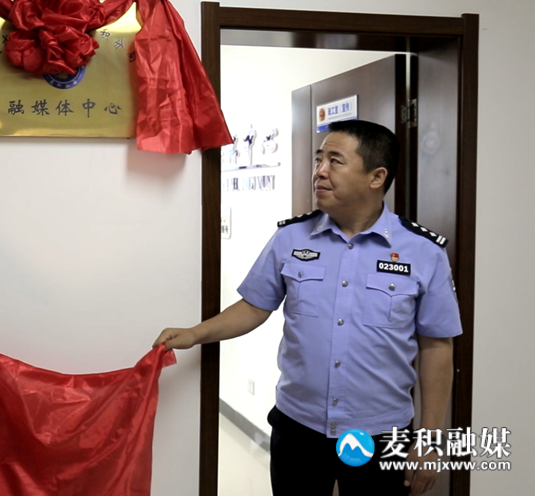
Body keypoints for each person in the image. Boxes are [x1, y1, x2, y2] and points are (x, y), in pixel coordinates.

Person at [155, 120, 462, 496]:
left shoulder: (423, 252)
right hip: (299, 429)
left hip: (380, 435)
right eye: (319, 160)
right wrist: (194, 334)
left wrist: (430, 440)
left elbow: (436, 346)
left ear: (376, 177)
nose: (320, 171)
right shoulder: (291, 238)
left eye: (335, 161)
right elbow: (254, 307)